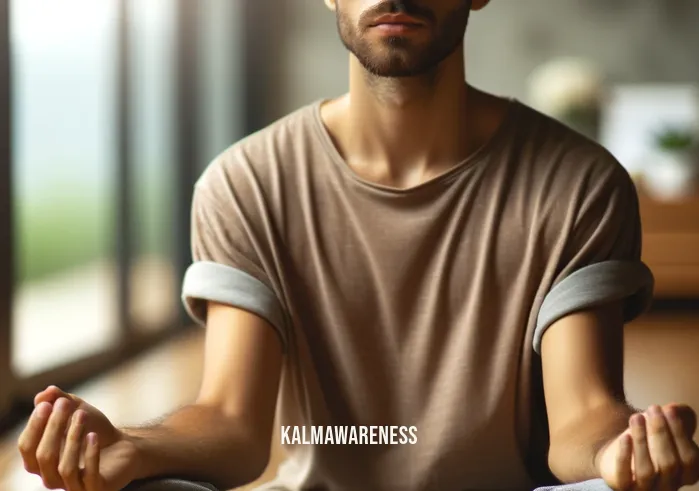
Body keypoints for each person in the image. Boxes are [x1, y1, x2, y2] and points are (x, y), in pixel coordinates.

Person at [17, 1, 699, 490]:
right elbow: (231, 420)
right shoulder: (245, 182)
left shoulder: (578, 182)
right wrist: (132, 445)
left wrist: (624, 451)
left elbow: (583, 416)